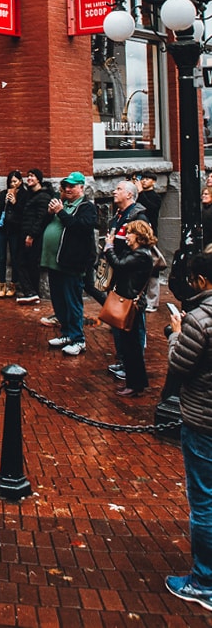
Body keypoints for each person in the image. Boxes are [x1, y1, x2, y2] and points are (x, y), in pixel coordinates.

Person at [165, 251, 212, 613]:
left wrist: (176, 334)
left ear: (201, 281)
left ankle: (202, 581)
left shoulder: (200, 319)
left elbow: (180, 365)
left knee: (204, 502)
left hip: (203, 419)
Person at [43, 172, 97, 357]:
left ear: (81, 187)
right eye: (65, 185)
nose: (68, 189)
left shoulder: (86, 207)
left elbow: (80, 228)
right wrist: (50, 214)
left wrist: (60, 212)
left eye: (72, 186)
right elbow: (44, 225)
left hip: (72, 263)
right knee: (59, 301)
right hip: (54, 261)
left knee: (72, 301)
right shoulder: (62, 204)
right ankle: (66, 334)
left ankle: (78, 339)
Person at [103, 217, 155, 397]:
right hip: (127, 300)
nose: (127, 236)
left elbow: (118, 264)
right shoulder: (135, 252)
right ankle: (135, 382)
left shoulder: (141, 255)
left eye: (131, 233)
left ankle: (135, 383)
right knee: (128, 345)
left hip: (132, 304)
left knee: (132, 346)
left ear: (139, 236)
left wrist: (109, 247)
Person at [16, 169, 53, 305]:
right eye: (28, 176)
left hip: (33, 236)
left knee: (25, 263)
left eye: (32, 176)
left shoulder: (43, 197)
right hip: (26, 234)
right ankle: (32, 293)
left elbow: (41, 218)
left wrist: (31, 235)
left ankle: (31, 292)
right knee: (28, 263)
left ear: (39, 179)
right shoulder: (30, 195)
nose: (29, 178)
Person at [0, 170, 24, 298]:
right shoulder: (4, 193)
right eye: (11, 181)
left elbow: (23, 213)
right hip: (2, 229)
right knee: (1, 257)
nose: (13, 184)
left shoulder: (23, 195)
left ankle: (13, 285)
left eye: (15, 181)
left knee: (14, 257)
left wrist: (15, 203)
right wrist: (3, 202)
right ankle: (2, 285)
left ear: (20, 182)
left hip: (15, 230)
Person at [137, 171, 164, 311]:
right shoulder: (138, 195)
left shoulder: (156, 197)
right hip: (138, 235)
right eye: (143, 178)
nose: (144, 181)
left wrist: (141, 193)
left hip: (151, 235)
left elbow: (151, 210)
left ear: (153, 181)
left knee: (153, 268)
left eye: (147, 179)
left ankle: (152, 301)